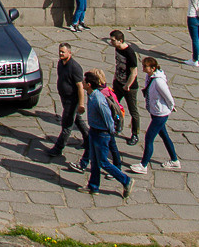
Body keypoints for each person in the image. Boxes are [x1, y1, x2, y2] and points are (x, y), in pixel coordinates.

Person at [80, 69, 130, 197]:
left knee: (103, 162)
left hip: (102, 133)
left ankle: (126, 180)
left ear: (89, 85)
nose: (82, 83)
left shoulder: (98, 99)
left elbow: (108, 117)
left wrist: (110, 132)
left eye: (84, 81)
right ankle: (93, 186)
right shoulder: (91, 95)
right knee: (95, 161)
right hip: (94, 131)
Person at [131, 56, 180, 172]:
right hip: (155, 111)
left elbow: (167, 95)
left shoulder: (158, 81)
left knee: (149, 138)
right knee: (164, 136)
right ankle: (174, 160)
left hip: (160, 114)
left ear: (153, 68)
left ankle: (143, 165)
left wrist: (171, 106)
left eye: (145, 66)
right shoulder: (150, 77)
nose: (143, 68)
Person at [47, 42, 88, 168]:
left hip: (72, 100)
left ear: (69, 53)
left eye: (63, 52)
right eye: (59, 51)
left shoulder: (75, 67)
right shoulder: (60, 63)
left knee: (67, 124)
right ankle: (88, 139)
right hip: (64, 97)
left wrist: (81, 104)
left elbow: (80, 87)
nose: (60, 54)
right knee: (78, 120)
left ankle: (58, 148)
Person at [108, 30, 142, 142]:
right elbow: (118, 65)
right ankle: (117, 125)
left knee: (133, 111)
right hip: (118, 82)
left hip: (129, 87)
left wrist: (127, 85)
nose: (111, 42)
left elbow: (134, 72)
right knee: (113, 106)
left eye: (113, 40)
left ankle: (135, 134)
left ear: (120, 40)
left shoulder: (130, 53)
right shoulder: (117, 48)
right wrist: (115, 77)